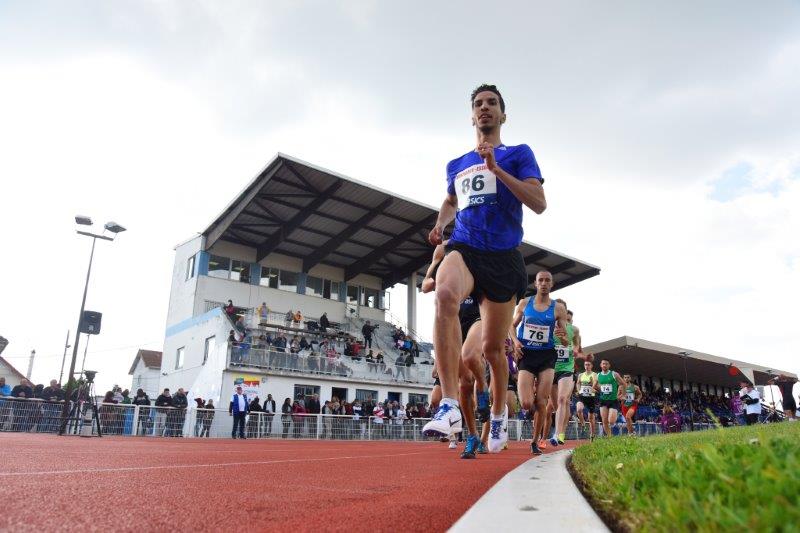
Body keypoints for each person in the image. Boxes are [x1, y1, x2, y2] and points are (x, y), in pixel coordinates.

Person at [423, 84, 547, 448]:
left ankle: (497, 413)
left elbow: (539, 202)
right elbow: (450, 201)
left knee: (494, 349)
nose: (485, 108)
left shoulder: (519, 154)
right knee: (444, 294)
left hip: (504, 258)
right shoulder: (457, 165)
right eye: (479, 104)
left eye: (492, 103)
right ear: (472, 115)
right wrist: (441, 224)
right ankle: (448, 405)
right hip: (466, 246)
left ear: (502, 114)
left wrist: (497, 170)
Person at [512, 271, 569, 455]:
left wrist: (563, 337)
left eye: (547, 281)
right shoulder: (524, 303)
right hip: (527, 355)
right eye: (540, 280)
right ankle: (531, 410)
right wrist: (515, 342)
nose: (544, 283)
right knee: (527, 403)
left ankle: (536, 441)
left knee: (542, 401)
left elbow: (565, 339)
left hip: (546, 356)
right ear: (535, 284)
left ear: (552, 284)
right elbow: (510, 325)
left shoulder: (558, 308)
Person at [550, 301, 583, 445]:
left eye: (569, 319)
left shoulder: (574, 330)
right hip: (550, 369)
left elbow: (577, 347)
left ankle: (558, 434)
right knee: (557, 405)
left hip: (567, 369)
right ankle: (559, 429)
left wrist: (574, 349)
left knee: (563, 399)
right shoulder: (548, 326)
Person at [594, 360, 627, 438]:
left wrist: (623, 395)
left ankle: (613, 428)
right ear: (600, 365)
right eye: (603, 364)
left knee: (611, 421)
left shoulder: (614, 374)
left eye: (606, 364)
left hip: (613, 401)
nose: (604, 365)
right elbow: (594, 386)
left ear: (609, 365)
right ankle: (610, 437)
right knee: (604, 421)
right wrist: (600, 390)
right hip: (603, 401)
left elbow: (623, 384)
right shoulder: (598, 375)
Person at [575, 359, 598, 440]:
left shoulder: (594, 374)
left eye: (588, 365)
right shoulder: (581, 375)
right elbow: (578, 383)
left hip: (591, 397)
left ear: (591, 366)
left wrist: (593, 385)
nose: (587, 366)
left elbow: (595, 381)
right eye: (585, 365)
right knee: (579, 409)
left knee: (591, 418)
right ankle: (583, 424)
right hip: (582, 396)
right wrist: (578, 391)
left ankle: (592, 434)